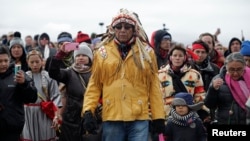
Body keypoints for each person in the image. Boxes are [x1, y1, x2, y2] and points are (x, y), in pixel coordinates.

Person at [81, 8, 165, 141]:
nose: (122, 30)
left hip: (139, 117)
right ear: (113, 29)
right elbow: (94, 85)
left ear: (134, 29)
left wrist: (158, 116)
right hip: (112, 117)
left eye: (127, 27)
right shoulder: (102, 53)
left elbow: (154, 86)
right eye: (118, 27)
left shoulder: (147, 52)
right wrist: (88, 110)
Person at [48, 42, 95, 141]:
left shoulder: (96, 72)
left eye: (84, 55)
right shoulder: (69, 73)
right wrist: (60, 55)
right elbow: (53, 73)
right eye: (78, 55)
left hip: (92, 118)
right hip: (72, 120)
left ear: (90, 57)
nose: (80, 57)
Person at [21, 49, 62, 141]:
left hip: (45, 111)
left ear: (42, 61)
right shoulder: (24, 77)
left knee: (46, 136)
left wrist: (56, 115)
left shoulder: (49, 76)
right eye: (32, 62)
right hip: (28, 113)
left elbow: (55, 96)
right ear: (27, 62)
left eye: (37, 61)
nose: (35, 65)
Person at [158, 44, 208, 119]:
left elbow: (200, 95)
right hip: (166, 115)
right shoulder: (159, 74)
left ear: (185, 58)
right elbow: (155, 97)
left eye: (180, 56)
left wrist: (204, 111)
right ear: (170, 57)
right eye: (175, 55)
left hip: (188, 115)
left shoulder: (194, 74)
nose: (177, 58)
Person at [0, 45, 37, 141]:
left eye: (5, 60)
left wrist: (24, 84)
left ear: (9, 59)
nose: (3, 64)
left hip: (12, 127)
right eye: (0, 61)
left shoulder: (19, 75)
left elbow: (32, 98)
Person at [205, 52, 250, 124]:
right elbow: (210, 105)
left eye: (239, 69)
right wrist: (212, 89)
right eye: (231, 69)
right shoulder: (218, 80)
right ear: (226, 67)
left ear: (244, 67)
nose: (235, 73)